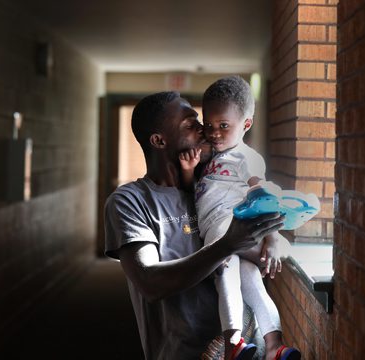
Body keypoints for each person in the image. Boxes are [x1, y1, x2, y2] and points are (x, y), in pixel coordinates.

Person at [104, 91, 285, 360]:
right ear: (159, 140)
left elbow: (260, 244)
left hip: (250, 351)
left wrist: (273, 238)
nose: (205, 131)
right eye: (191, 125)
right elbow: (150, 282)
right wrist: (227, 245)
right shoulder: (130, 201)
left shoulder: (216, 185)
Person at [179, 76, 301, 360]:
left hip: (231, 234)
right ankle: (274, 346)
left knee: (227, 273)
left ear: (246, 125)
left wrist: (271, 238)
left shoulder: (247, 158)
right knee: (247, 280)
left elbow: (266, 194)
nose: (215, 133)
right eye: (209, 126)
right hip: (224, 241)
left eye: (224, 126)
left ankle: (232, 341)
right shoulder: (213, 161)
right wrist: (190, 171)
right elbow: (194, 197)